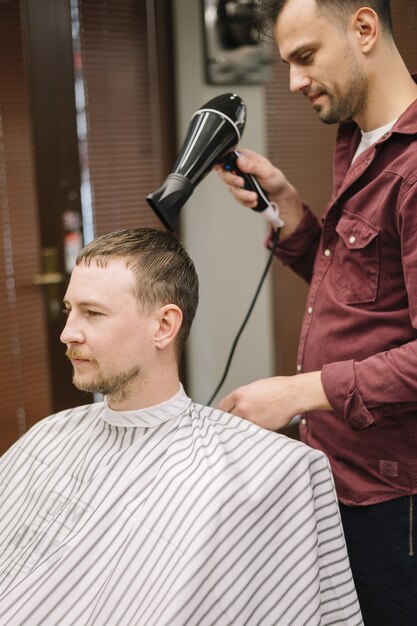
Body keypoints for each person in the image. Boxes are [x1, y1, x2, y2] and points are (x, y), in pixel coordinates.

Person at [0, 228, 361, 625]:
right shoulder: (49, 437)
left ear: (164, 326)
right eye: (70, 310)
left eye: (93, 313)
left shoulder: (258, 475)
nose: (68, 333)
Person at [215, 0, 417, 624]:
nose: (295, 81)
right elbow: (365, 290)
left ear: (363, 28)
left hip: (394, 492)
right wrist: (291, 210)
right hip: (342, 476)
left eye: (305, 58)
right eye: (288, 63)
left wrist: (299, 392)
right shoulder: (358, 139)